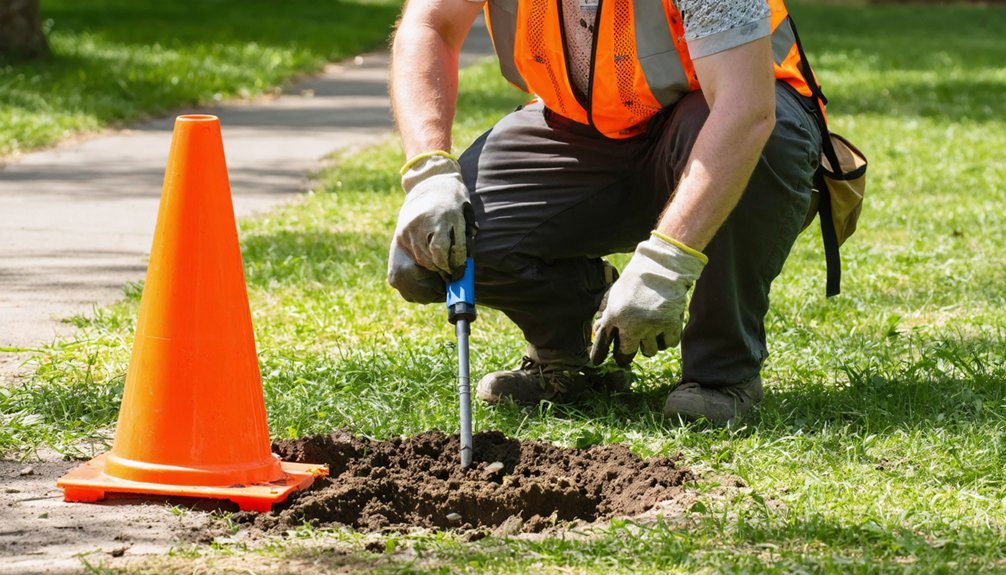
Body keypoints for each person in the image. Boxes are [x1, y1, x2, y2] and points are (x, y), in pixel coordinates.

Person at [387, 0, 823, 425]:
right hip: (585, 131)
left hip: (719, 124)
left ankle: (721, 374)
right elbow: (430, 24)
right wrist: (429, 173)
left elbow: (745, 109)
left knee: (760, 144)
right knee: (426, 252)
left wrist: (666, 264)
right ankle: (566, 352)